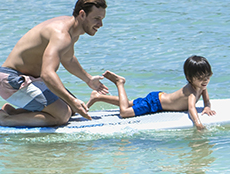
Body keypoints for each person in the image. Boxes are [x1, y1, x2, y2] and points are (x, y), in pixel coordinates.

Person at [0, 0, 110, 127]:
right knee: (62, 115)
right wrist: (72, 99)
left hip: (30, 79)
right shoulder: (61, 35)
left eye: (102, 19)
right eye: (96, 18)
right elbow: (47, 74)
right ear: (82, 14)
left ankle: (13, 112)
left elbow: (68, 59)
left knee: (73, 109)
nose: (101, 24)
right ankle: (3, 120)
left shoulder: (71, 30)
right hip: (11, 81)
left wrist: (88, 79)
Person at [87, 55, 216, 130]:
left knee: (130, 104)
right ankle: (119, 83)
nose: (205, 81)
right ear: (189, 78)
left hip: (158, 98)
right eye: (200, 78)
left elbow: (206, 100)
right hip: (155, 104)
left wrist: (207, 107)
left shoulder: (201, 86)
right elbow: (191, 107)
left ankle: (98, 97)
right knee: (125, 112)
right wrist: (198, 124)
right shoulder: (191, 91)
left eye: (207, 77)